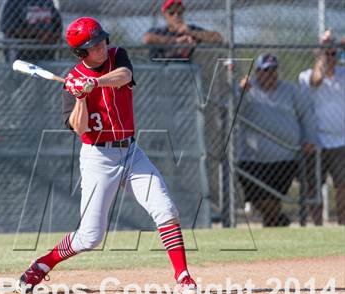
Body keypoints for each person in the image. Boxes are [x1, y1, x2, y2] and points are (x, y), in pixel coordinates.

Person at [18, 17, 197, 294]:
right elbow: (80, 128)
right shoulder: (72, 83)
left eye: (101, 40)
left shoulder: (117, 56)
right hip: (98, 158)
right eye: (93, 45)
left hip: (130, 152)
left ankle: (183, 275)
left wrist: (95, 82)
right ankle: (42, 264)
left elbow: (124, 76)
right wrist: (79, 96)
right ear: (81, 52)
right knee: (90, 237)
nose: (101, 46)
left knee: (165, 209)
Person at [236, 53, 317, 227]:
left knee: (272, 197)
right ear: (257, 72)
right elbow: (231, 113)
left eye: (273, 70)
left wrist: (310, 139)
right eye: (266, 71)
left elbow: (306, 116)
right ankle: (277, 219)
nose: (271, 75)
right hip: (253, 159)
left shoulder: (290, 90)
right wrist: (240, 92)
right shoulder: (247, 89)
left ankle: (274, 222)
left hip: (284, 157)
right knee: (259, 199)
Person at [299, 30, 345, 225]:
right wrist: (323, 51)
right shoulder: (305, 76)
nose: (330, 57)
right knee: (314, 186)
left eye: (333, 54)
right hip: (315, 142)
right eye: (326, 53)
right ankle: (317, 225)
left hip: (341, 140)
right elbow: (316, 80)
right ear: (318, 55)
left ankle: (342, 224)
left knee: (342, 185)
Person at [142, 0, 223, 60]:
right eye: (171, 13)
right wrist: (177, 40)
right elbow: (147, 39)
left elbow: (218, 37)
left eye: (179, 12)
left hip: (184, 73)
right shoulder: (159, 31)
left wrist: (190, 32)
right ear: (165, 15)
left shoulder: (190, 29)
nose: (176, 16)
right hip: (158, 72)